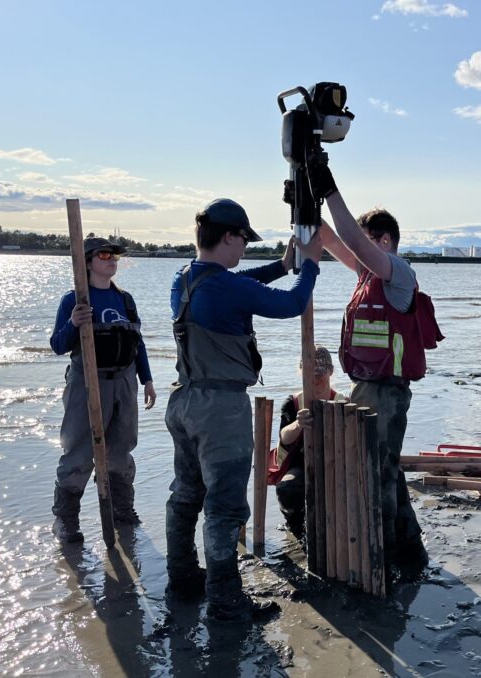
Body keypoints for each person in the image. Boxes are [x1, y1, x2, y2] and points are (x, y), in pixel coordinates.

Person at [163, 198, 322, 622]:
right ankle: (226, 601)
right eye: (242, 241)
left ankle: (181, 578)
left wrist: (281, 266)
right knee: (225, 507)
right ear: (229, 236)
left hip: (184, 401)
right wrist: (310, 266)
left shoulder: (186, 279)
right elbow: (289, 305)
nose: (243, 251)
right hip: (221, 410)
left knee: (185, 495)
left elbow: (240, 284)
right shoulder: (223, 287)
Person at [294, 159, 443, 583]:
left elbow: (353, 242)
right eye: (367, 240)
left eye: (374, 239)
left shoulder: (399, 274)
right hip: (365, 388)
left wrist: (331, 188)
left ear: (388, 241)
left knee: (376, 479)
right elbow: (329, 237)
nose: (366, 246)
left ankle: (385, 563)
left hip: (388, 395)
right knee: (386, 471)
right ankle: (411, 553)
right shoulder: (364, 275)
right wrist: (305, 196)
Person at [49, 236, 157, 543]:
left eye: (115, 256)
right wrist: (73, 323)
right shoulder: (74, 299)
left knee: (120, 450)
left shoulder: (125, 299)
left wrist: (146, 379)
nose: (111, 260)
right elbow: (58, 345)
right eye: (104, 255)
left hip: (124, 382)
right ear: (86, 261)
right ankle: (66, 521)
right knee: (80, 453)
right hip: (87, 383)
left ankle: (122, 511)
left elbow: (138, 342)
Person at [270, 345, 344, 538]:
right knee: (287, 489)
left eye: (320, 372)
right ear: (301, 371)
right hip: (300, 465)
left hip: (334, 464)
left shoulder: (342, 402)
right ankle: (296, 528)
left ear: (330, 371)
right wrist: (298, 424)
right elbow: (284, 437)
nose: (315, 378)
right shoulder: (293, 403)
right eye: (310, 372)